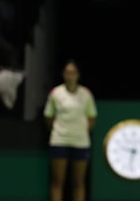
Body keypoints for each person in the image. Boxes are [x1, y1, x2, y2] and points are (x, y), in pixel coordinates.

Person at [43, 59, 97, 201]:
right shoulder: (55, 93)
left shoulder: (86, 94)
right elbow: (49, 117)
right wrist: (60, 131)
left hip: (80, 142)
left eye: (73, 73)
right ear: (63, 74)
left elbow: (91, 118)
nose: (70, 76)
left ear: (78, 75)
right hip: (59, 140)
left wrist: (80, 132)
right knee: (57, 182)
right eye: (67, 72)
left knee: (78, 183)